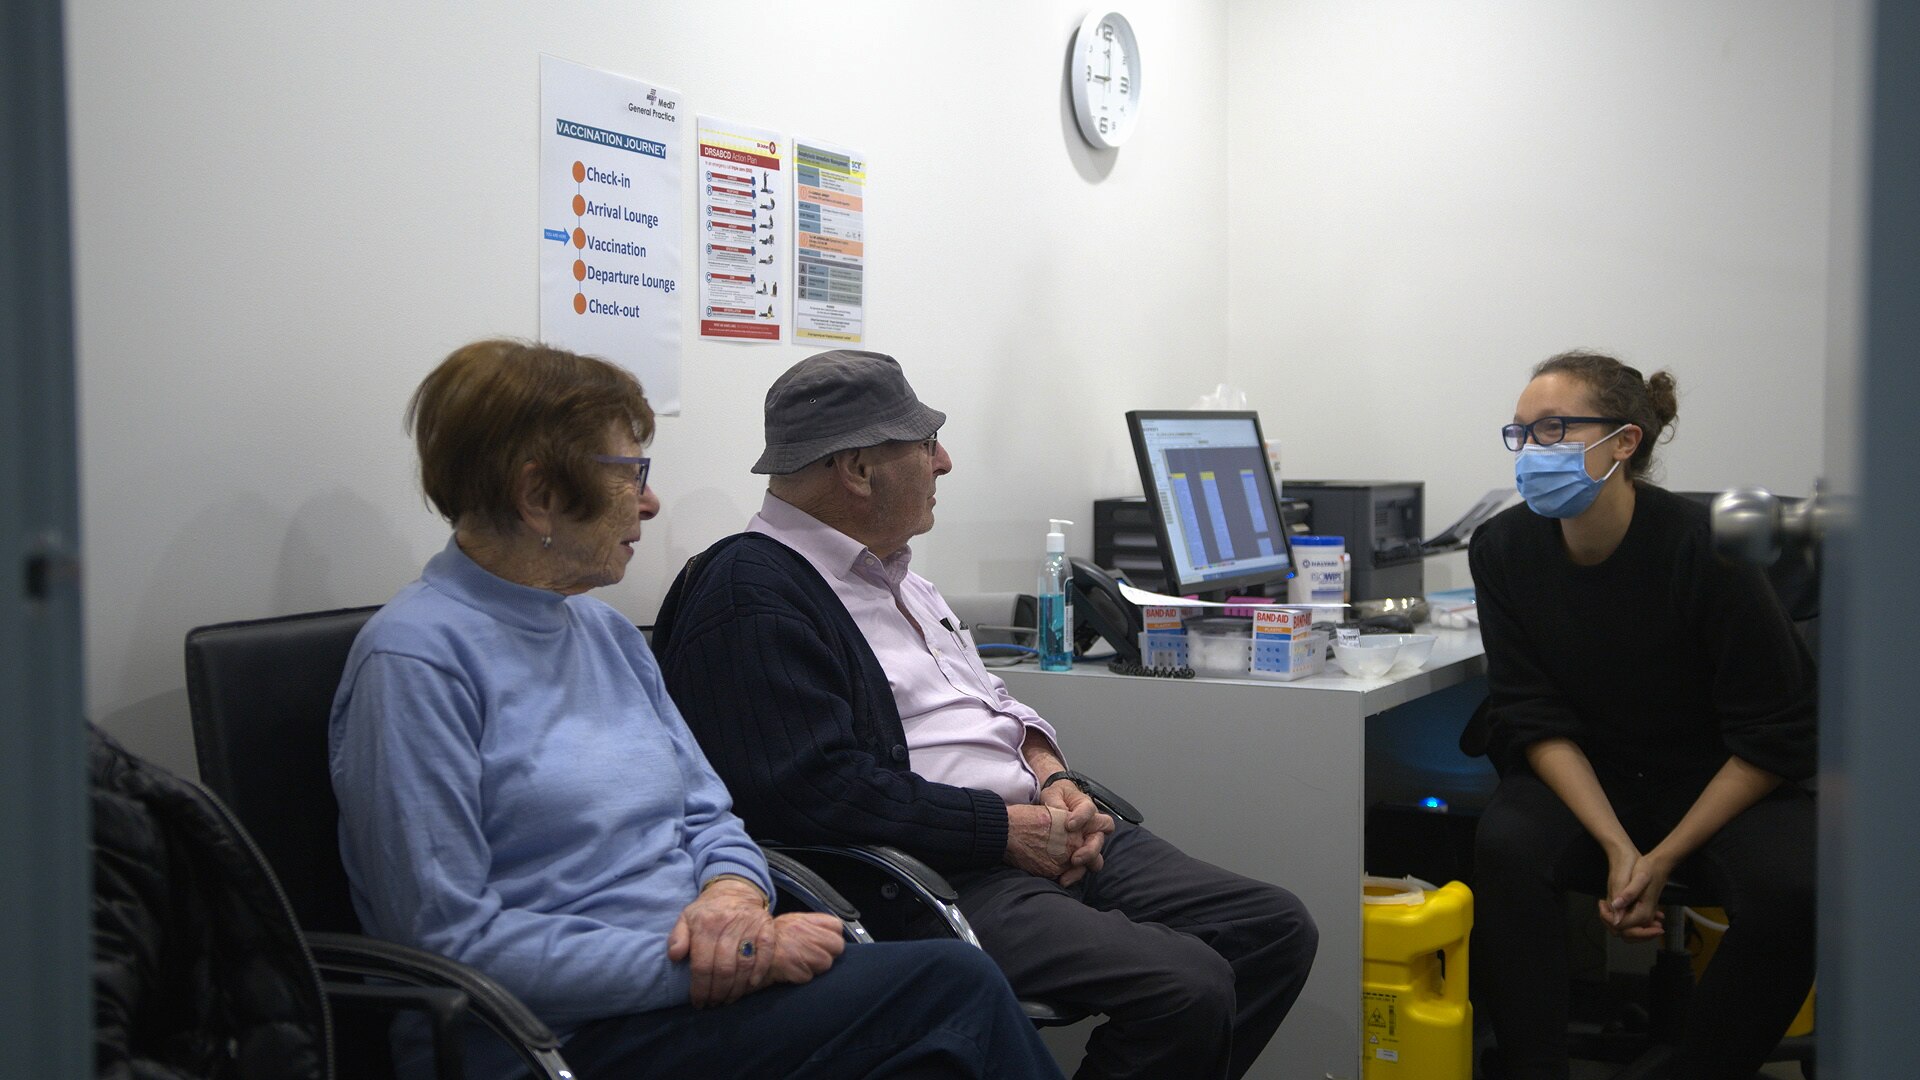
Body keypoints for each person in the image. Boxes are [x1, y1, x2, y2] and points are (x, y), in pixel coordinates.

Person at [329, 340, 1062, 1080]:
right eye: (629, 475)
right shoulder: (415, 662)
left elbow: (709, 815)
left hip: (696, 993)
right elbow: (448, 938)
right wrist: (732, 958)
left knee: (934, 1021)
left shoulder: (603, 633)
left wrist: (735, 897)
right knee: (949, 992)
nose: (649, 502)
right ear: (538, 495)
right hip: (558, 1036)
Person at [652, 350, 1319, 1080]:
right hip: (938, 871)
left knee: (1272, 928)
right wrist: (1005, 831)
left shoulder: (900, 575)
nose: (944, 460)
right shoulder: (751, 591)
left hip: (1038, 828)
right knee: (1185, 985)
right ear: (857, 470)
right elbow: (813, 790)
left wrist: (1054, 773)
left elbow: (992, 701)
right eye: (923, 443)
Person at [1467, 350, 1816, 1079]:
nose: (1532, 451)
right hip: (1596, 776)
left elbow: (1775, 730)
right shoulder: (1502, 549)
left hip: (1721, 776)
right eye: (1521, 433)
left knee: (1795, 888)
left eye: (1555, 429)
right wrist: (1619, 846)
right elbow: (1535, 718)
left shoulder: (1704, 547)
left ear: (1624, 442)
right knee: (1505, 846)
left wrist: (1660, 857)